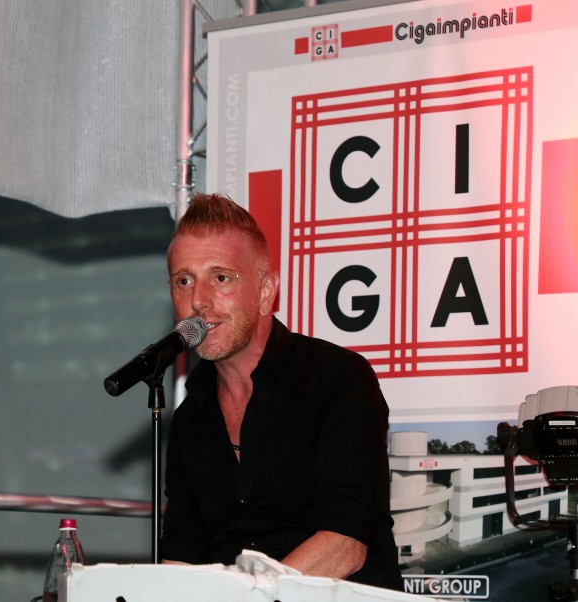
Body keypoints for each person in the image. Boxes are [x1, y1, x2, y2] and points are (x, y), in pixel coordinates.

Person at [160, 192, 402, 590]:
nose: (198, 300)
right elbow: (182, 557)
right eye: (183, 281)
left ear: (266, 292)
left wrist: (250, 599)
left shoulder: (337, 379)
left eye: (221, 278)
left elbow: (345, 544)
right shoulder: (192, 416)